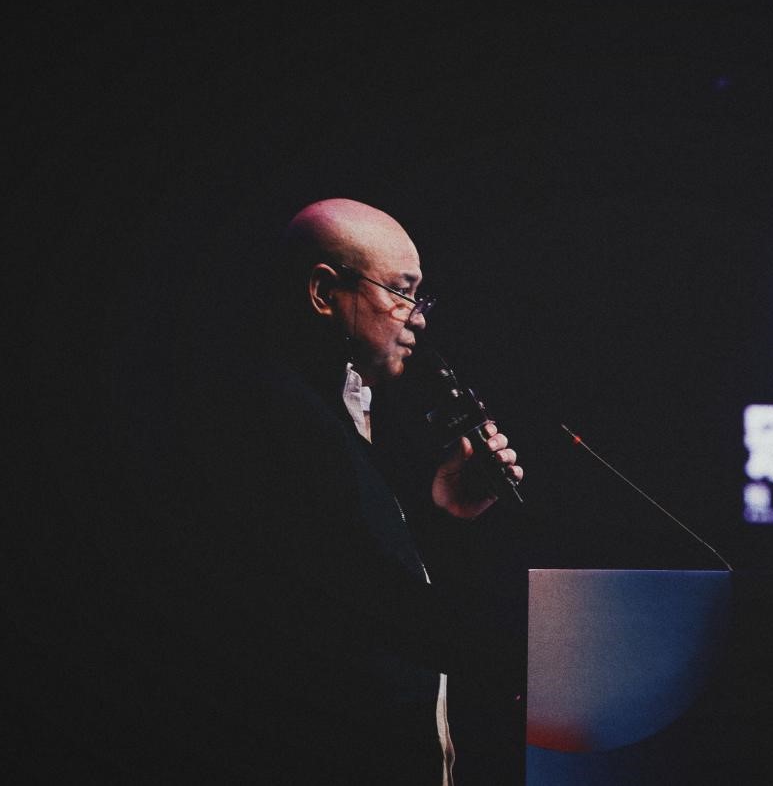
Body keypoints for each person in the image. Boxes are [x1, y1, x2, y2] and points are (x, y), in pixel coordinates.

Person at [174, 198, 524, 785]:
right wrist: (520, 664)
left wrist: (445, 513)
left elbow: (364, 574)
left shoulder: (330, 412)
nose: (418, 318)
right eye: (401, 292)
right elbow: (356, 607)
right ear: (322, 292)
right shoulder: (271, 415)